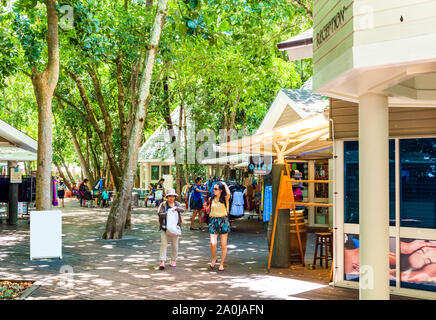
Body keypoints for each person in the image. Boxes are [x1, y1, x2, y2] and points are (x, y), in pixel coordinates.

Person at [157, 188, 185, 270]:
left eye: (173, 196)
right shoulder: (163, 205)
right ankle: (162, 261)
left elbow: (183, 210)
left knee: (175, 245)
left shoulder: (177, 204)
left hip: (175, 228)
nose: (171, 198)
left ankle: (173, 259)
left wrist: (176, 208)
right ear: (167, 197)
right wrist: (167, 213)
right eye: (169, 196)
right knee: (163, 244)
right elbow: (159, 214)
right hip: (164, 228)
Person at [209, 181, 231, 271]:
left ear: (221, 190)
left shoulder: (225, 199)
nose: (214, 190)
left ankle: (221, 263)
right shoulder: (211, 199)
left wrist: (224, 184)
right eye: (213, 188)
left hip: (223, 221)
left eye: (216, 189)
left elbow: (229, 193)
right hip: (213, 221)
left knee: (223, 245)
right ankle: (214, 258)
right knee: (213, 243)